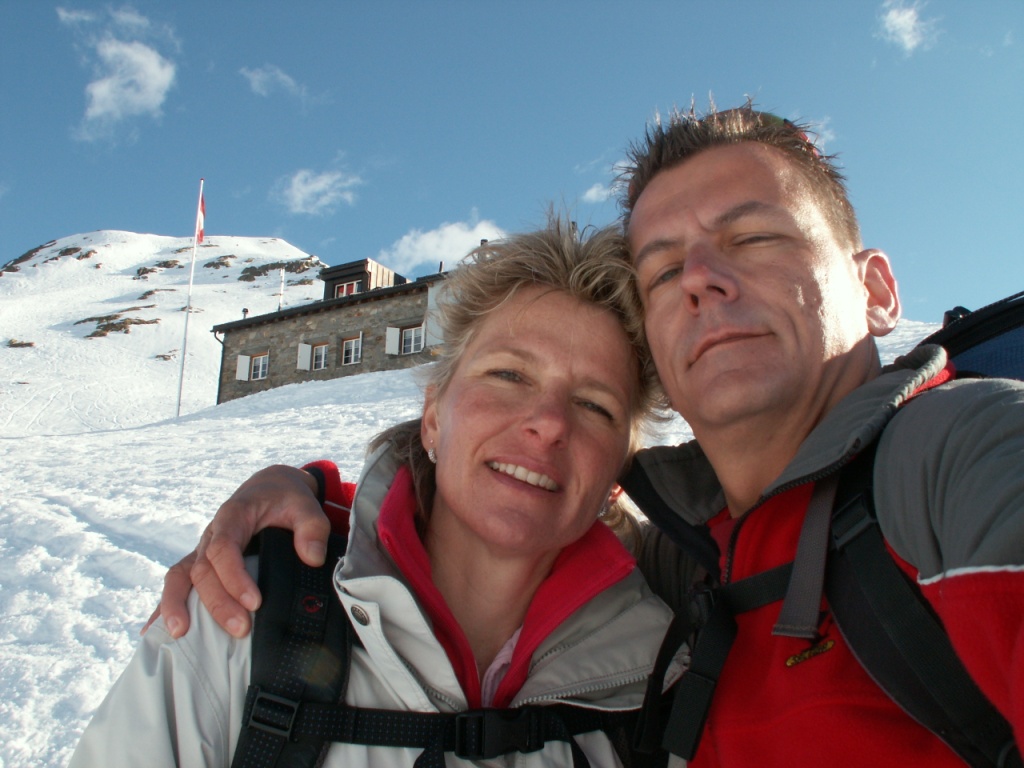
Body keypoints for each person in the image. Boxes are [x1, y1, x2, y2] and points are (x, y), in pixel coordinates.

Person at [155, 105, 1024, 766]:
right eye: (663, 269)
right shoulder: (689, 561)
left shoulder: (961, 459)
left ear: (877, 291)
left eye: (754, 236)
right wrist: (307, 500)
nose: (702, 279)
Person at [70, 220, 682, 767]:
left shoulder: (661, 688)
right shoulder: (238, 627)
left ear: (616, 477)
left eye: (594, 404)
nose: (548, 422)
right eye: (508, 374)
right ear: (433, 419)